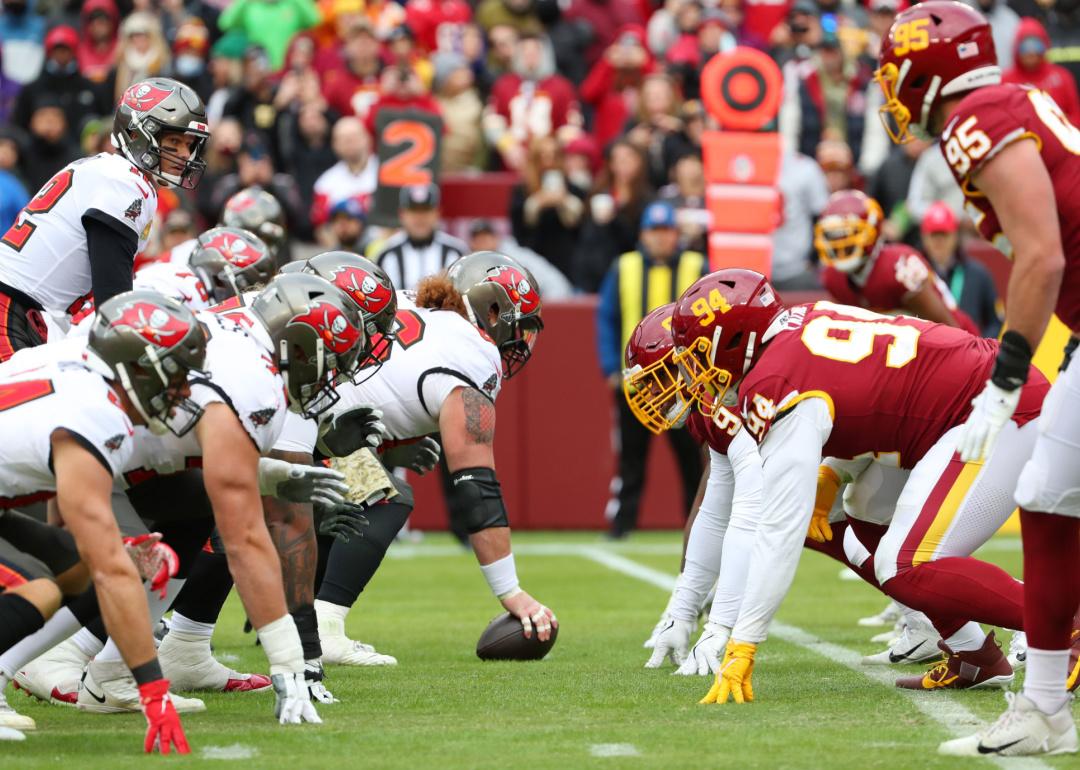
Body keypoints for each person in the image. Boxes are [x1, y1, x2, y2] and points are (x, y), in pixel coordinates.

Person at [670, 270, 1058, 707]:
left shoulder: (774, 385)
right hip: (951, 411)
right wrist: (835, 473)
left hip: (992, 409)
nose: (692, 369)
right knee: (861, 517)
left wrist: (744, 643)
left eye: (696, 353)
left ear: (734, 340)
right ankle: (975, 655)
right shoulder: (796, 323)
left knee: (905, 563)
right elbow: (872, 391)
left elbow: (778, 532)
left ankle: (1064, 624)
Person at [9, 273, 364, 716]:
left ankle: (112, 672)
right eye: (331, 360)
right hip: (62, 446)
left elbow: (205, 454)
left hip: (65, 428)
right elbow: (245, 537)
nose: (331, 377)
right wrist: (291, 664)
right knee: (91, 564)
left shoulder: (238, 340)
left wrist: (267, 475)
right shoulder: (252, 380)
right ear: (299, 345)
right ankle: (20, 663)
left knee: (172, 529)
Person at [876, 3, 1080, 753]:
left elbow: (1043, 257)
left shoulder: (980, 118)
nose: (892, 85)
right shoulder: (1015, 101)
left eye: (900, 67)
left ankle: (1045, 705)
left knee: (1050, 497)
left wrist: (1005, 381)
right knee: (1045, 498)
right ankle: (1045, 706)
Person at [274, 251, 556, 664]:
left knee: (321, 500)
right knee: (385, 497)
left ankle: (198, 633)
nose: (520, 342)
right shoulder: (473, 352)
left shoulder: (409, 303)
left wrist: (388, 445)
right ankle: (323, 626)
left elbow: (373, 391)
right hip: (294, 418)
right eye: (519, 326)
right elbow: (476, 486)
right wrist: (509, 591)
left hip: (283, 405)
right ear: (493, 309)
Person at [0, 291, 209, 752]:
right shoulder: (99, 415)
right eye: (174, 372)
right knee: (41, 587)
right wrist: (153, 691)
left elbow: (68, 525)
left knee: (76, 568)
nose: (183, 390)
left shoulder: (74, 368)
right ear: (136, 366)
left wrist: (110, 550)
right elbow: (113, 572)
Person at [0, 77, 209, 361]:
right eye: (174, 141)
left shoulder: (106, 170)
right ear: (136, 134)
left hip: (24, 309)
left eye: (189, 143)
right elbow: (113, 305)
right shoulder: (123, 183)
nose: (185, 154)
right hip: (11, 308)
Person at [596, 201, 706, 540]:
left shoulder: (695, 265)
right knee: (630, 460)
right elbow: (607, 318)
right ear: (643, 234)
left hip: (685, 384)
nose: (660, 239)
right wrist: (612, 367)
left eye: (666, 231)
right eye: (654, 232)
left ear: (677, 234)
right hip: (637, 383)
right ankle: (622, 524)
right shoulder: (625, 266)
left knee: (692, 462)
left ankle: (698, 524)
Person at [815, 190, 980, 334]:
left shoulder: (900, 268)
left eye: (848, 234)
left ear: (872, 232)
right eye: (833, 236)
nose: (840, 244)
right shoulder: (833, 278)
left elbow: (948, 330)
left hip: (957, 337)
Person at [508, 135, 586, 281]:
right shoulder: (522, 191)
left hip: (568, 261)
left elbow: (581, 230)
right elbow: (518, 231)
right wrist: (536, 204)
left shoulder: (574, 189)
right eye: (543, 156)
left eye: (554, 155)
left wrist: (565, 202)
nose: (549, 162)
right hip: (534, 261)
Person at [920, 202, 1001, 338]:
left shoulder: (977, 274)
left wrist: (981, 347)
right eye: (934, 235)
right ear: (924, 237)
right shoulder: (918, 275)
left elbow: (995, 322)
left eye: (944, 234)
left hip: (968, 351)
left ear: (955, 235)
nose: (939, 242)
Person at [374, 183, 467, 291]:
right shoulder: (386, 253)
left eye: (425, 210)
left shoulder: (457, 251)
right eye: (414, 211)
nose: (420, 217)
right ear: (402, 214)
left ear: (437, 213)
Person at [1001, 18, 1080, 126]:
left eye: (1036, 45)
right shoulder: (1005, 82)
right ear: (1016, 47)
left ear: (1045, 45)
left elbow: (1076, 115)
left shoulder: (1062, 77)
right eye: (1025, 46)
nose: (1031, 52)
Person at [311, 117, 378, 231]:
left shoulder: (387, 173)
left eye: (354, 137)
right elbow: (322, 228)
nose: (349, 142)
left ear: (368, 138)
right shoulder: (325, 183)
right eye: (343, 139)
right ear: (334, 145)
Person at [218, 0, 321, 71]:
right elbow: (225, 23)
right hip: (259, 74)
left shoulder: (291, 6)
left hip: (288, 73)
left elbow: (316, 19)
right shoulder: (253, 8)